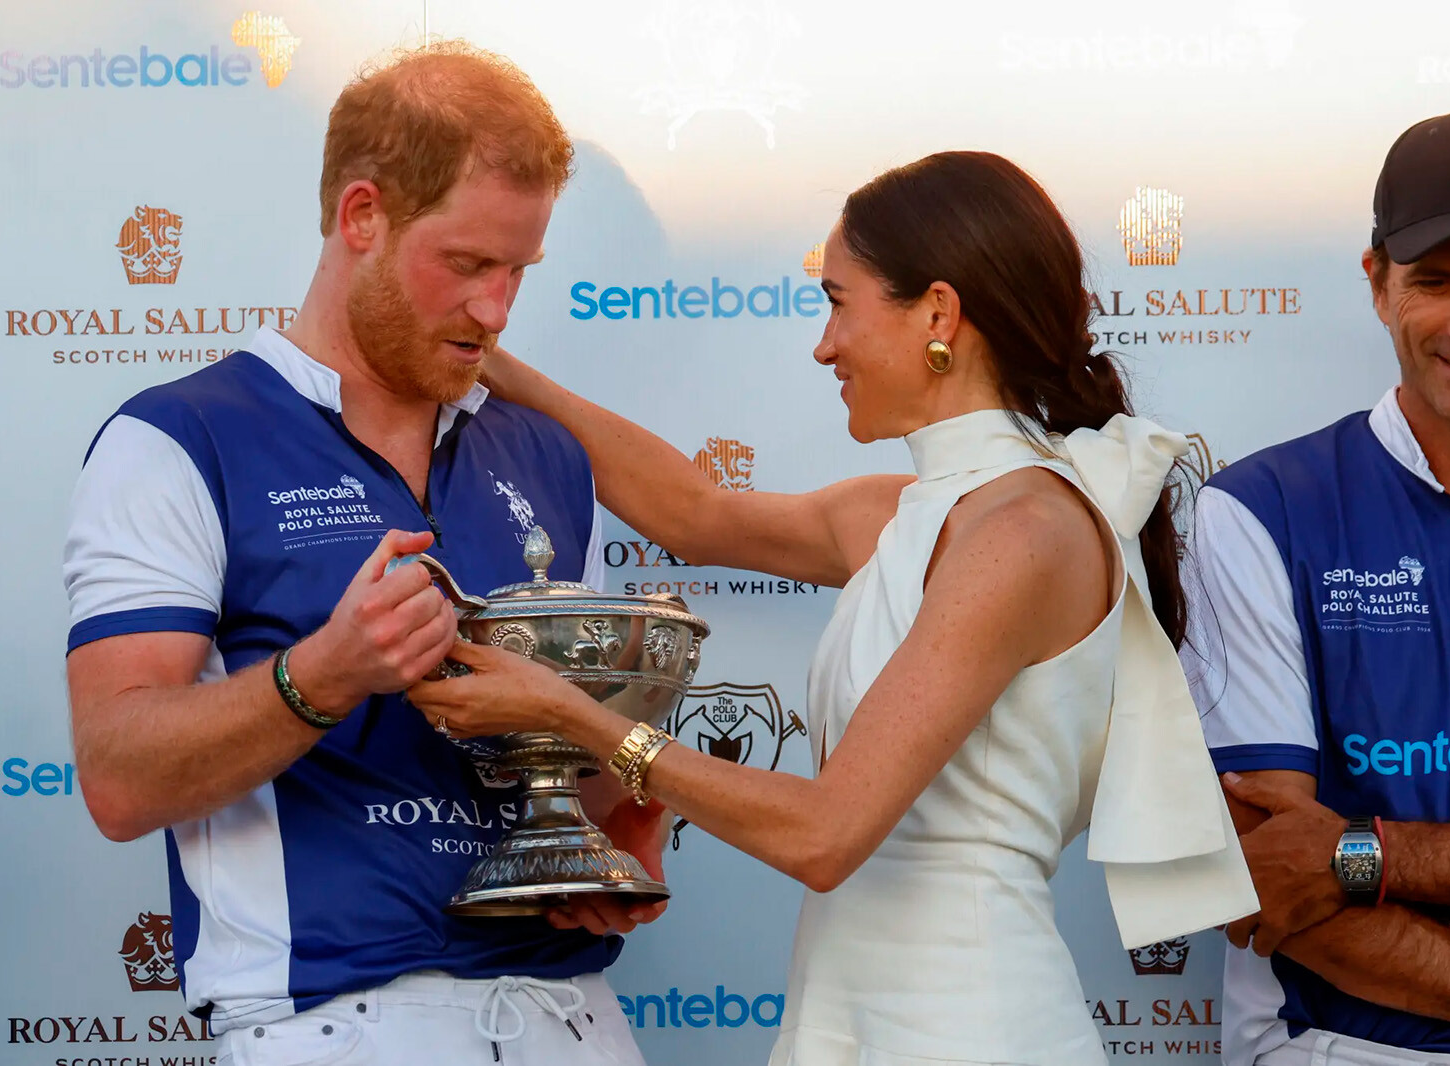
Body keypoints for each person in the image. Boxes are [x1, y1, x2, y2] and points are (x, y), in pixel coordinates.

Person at [406, 150, 1256, 1065]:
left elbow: (825, 834)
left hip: (969, 1031)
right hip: (848, 1017)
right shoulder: (908, 513)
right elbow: (694, 514)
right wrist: (481, 356)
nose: (824, 345)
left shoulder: (1027, 529)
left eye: (838, 303)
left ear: (937, 313)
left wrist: (566, 713)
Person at [63, 43, 661, 1066]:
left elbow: (584, 779)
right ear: (361, 216)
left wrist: (625, 803)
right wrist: (317, 678)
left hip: (574, 1021)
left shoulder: (547, 454)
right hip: (340, 1023)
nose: (496, 308)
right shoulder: (180, 437)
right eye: (468, 263)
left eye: (518, 269)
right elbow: (117, 777)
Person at [1183, 107, 1450, 1066]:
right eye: (1435, 282)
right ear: (1377, 286)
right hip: (1339, 1042)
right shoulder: (1259, 510)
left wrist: (1356, 853)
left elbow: (1312, 862)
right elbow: (1265, 878)